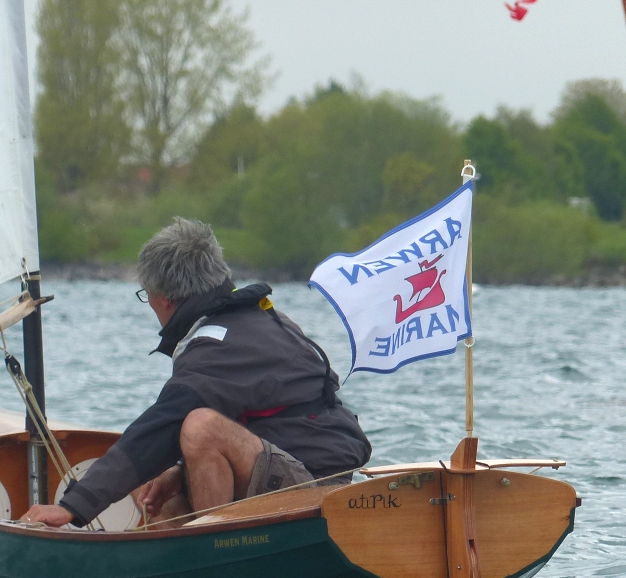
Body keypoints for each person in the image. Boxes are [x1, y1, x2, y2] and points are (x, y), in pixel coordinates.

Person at [22, 218, 371, 529]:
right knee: (156, 486)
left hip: (313, 483)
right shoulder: (253, 321)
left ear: (164, 299)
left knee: (199, 427)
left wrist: (73, 506)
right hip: (301, 465)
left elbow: (160, 427)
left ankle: (215, 559)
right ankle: (181, 567)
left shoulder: (216, 346)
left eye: (147, 296)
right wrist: (179, 471)